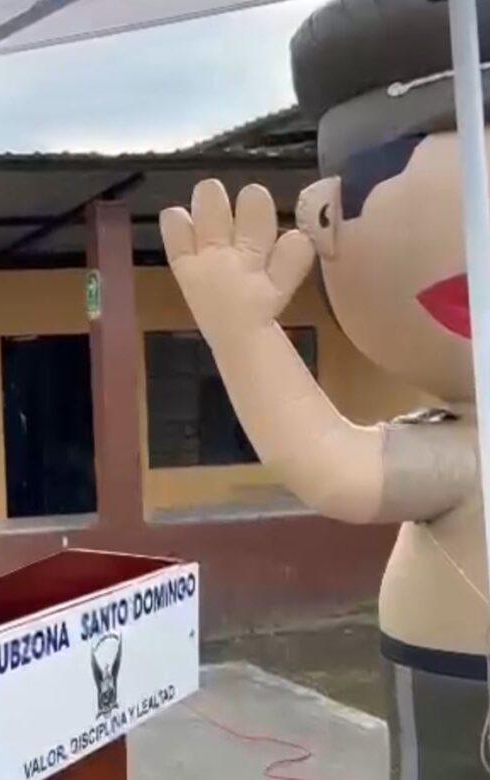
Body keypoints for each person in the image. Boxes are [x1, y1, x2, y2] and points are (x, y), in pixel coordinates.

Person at [159, 0, 489, 776]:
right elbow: (336, 465)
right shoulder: (458, 455)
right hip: (461, 693)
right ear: (327, 221)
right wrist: (243, 337)